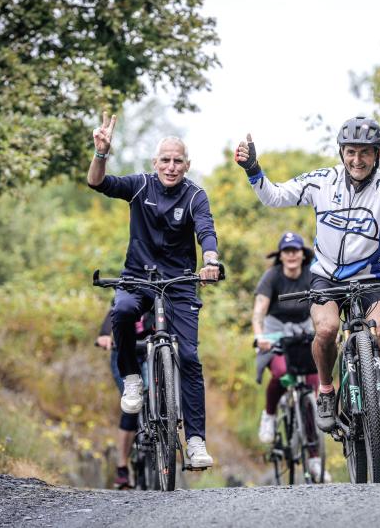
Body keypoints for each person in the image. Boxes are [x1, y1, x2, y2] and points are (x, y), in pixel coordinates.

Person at [235, 116, 380, 442]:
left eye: (365, 153)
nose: (357, 160)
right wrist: (254, 169)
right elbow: (276, 196)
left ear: (377, 155)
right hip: (326, 277)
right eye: (351, 152)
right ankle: (326, 391)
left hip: (370, 278)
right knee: (326, 329)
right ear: (341, 153)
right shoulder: (322, 182)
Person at [88, 112, 221, 468]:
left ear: (187, 164)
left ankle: (194, 442)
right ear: (155, 162)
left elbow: (206, 230)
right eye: (166, 160)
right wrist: (100, 153)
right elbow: (97, 184)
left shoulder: (195, 196)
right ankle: (133, 379)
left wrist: (210, 260)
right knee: (122, 311)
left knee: (190, 358)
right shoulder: (140, 186)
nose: (172, 166)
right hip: (138, 277)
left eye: (178, 161)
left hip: (179, 283)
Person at [252, 231, 329, 482]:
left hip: (304, 331)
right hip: (275, 334)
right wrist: (259, 336)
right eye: (287, 251)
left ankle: (315, 460)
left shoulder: (311, 273)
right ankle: (270, 415)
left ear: (302, 253)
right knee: (282, 373)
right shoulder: (272, 276)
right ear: (281, 256)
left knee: (310, 385)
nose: (292, 255)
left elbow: (322, 302)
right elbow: (259, 312)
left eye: (296, 250)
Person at [96, 308, 152, 489]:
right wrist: (105, 334)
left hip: (151, 352)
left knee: (156, 393)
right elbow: (113, 312)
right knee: (131, 405)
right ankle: (122, 467)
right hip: (125, 353)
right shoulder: (127, 294)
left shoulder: (160, 294)